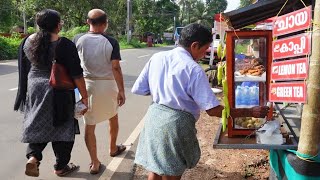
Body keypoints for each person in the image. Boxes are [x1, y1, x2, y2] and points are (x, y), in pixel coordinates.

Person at [131, 23, 269, 180]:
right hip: (175, 125)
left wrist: (164, 91)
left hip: (154, 118)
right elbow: (212, 110)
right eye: (205, 49)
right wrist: (249, 112)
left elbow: (140, 89)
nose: (205, 53)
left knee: (155, 167)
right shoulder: (193, 69)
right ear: (195, 45)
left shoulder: (157, 57)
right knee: (172, 171)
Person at [14, 9, 88, 177]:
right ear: (57, 25)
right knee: (63, 127)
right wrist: (84, 96)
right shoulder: (65, 44)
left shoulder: (27, 41)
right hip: (59, 89)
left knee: (37, 123)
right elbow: (76, 73)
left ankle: (33, 158)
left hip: (34, 89)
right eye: (60, 22)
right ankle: (61, 167)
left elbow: (25, 69)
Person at [73, 9, 126, 174]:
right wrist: (122, 91)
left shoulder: (77, 39)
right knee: (113, 116)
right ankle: (112, 148)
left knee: (90, 125)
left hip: (86, 86)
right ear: (105, 23)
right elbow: (115, 67)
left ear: (88, 22)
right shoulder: (111, 41)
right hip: (108, 85)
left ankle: (95, 163)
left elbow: (74, 66)